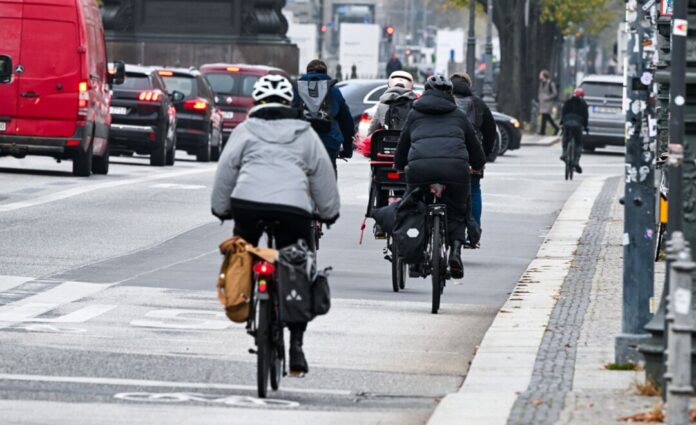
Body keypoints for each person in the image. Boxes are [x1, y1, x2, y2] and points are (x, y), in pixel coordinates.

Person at [211, 75, 340, 375]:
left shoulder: (244, 131)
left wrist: (221, 208)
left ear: (257, 103)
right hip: (293, 209)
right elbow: (322, 175)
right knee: (299, 263)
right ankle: (296, 344)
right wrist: (328, 212)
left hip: (247, 205)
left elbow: (226, 171)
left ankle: (243, 298)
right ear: (288, 104)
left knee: (241, 250)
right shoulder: (305, 133)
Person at [395, 75, 486, 279]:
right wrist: (478, 165)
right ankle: (455, 249)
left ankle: (416, 258)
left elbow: (403, 144)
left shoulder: (414, 113)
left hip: (420, 169)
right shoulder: (458, 115)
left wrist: (400, 165)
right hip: (455, 169)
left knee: (415, 206)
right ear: (449, 94)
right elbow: (474, 146)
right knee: (458, 208)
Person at [450, 72, 497, 231]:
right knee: (474, 189)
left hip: (444, 156)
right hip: (471, 157)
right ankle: (474, 231)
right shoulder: (478, 104)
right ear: (468, 86)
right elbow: (490, 132)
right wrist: (484, 155)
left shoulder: (443, 101)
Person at [295, 59, 354, 171]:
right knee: (329, 176)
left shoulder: (297, 90)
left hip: (303, 141)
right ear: (325, 73)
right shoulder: (334, 91)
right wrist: (347, 149)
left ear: (307, 73)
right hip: (329, 142)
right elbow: (347, 123)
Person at [367, 70, 418, 134]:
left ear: (389, 84)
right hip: (408, 142)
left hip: (387, 142)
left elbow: (372, 128)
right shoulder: (415, 104)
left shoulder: (382, 104)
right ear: (411, 86)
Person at [560, 87, 589, 174]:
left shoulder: (567, 101)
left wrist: (562, 122)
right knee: (579, 143)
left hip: (567, 123)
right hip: (577, 125)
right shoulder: (583, 104)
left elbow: (563, 112)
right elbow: (585, 117)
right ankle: (576, 161)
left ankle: (565, 153)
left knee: (565, 139)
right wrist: (586, 126)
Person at [538, 70, 559, 136]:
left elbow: (555, 93)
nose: (539, 76)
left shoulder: (550, 83)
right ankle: (543, 131)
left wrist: (548, 98)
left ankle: (555, 128)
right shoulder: (541, 83)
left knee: (546, 116)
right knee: (545, 117)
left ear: (544, 76)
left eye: (541, 74)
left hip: (548, 103)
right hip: (543, 103)